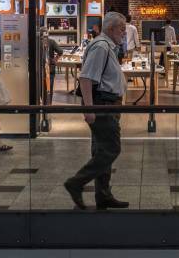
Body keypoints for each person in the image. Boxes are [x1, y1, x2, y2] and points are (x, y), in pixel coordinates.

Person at [64, 11, 129, 210]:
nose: (124, 33)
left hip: (108, 104)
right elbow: (85, 78)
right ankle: (76, 182)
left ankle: (103, 195)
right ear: (110, 29)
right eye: (121, 29)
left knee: (102, 149)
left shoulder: (107, 46)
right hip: (103, 105)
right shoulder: (101, 47)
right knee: (111, 149)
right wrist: (89, 108)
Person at [47, 37, 64, 105]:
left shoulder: (36, 41)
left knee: (40, 87)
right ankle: (48, 104)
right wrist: (55, 59)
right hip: (50, 68)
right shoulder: (51, 41)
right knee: (49, 87)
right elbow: (60, 51)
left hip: (39, 68)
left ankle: (39, 105)